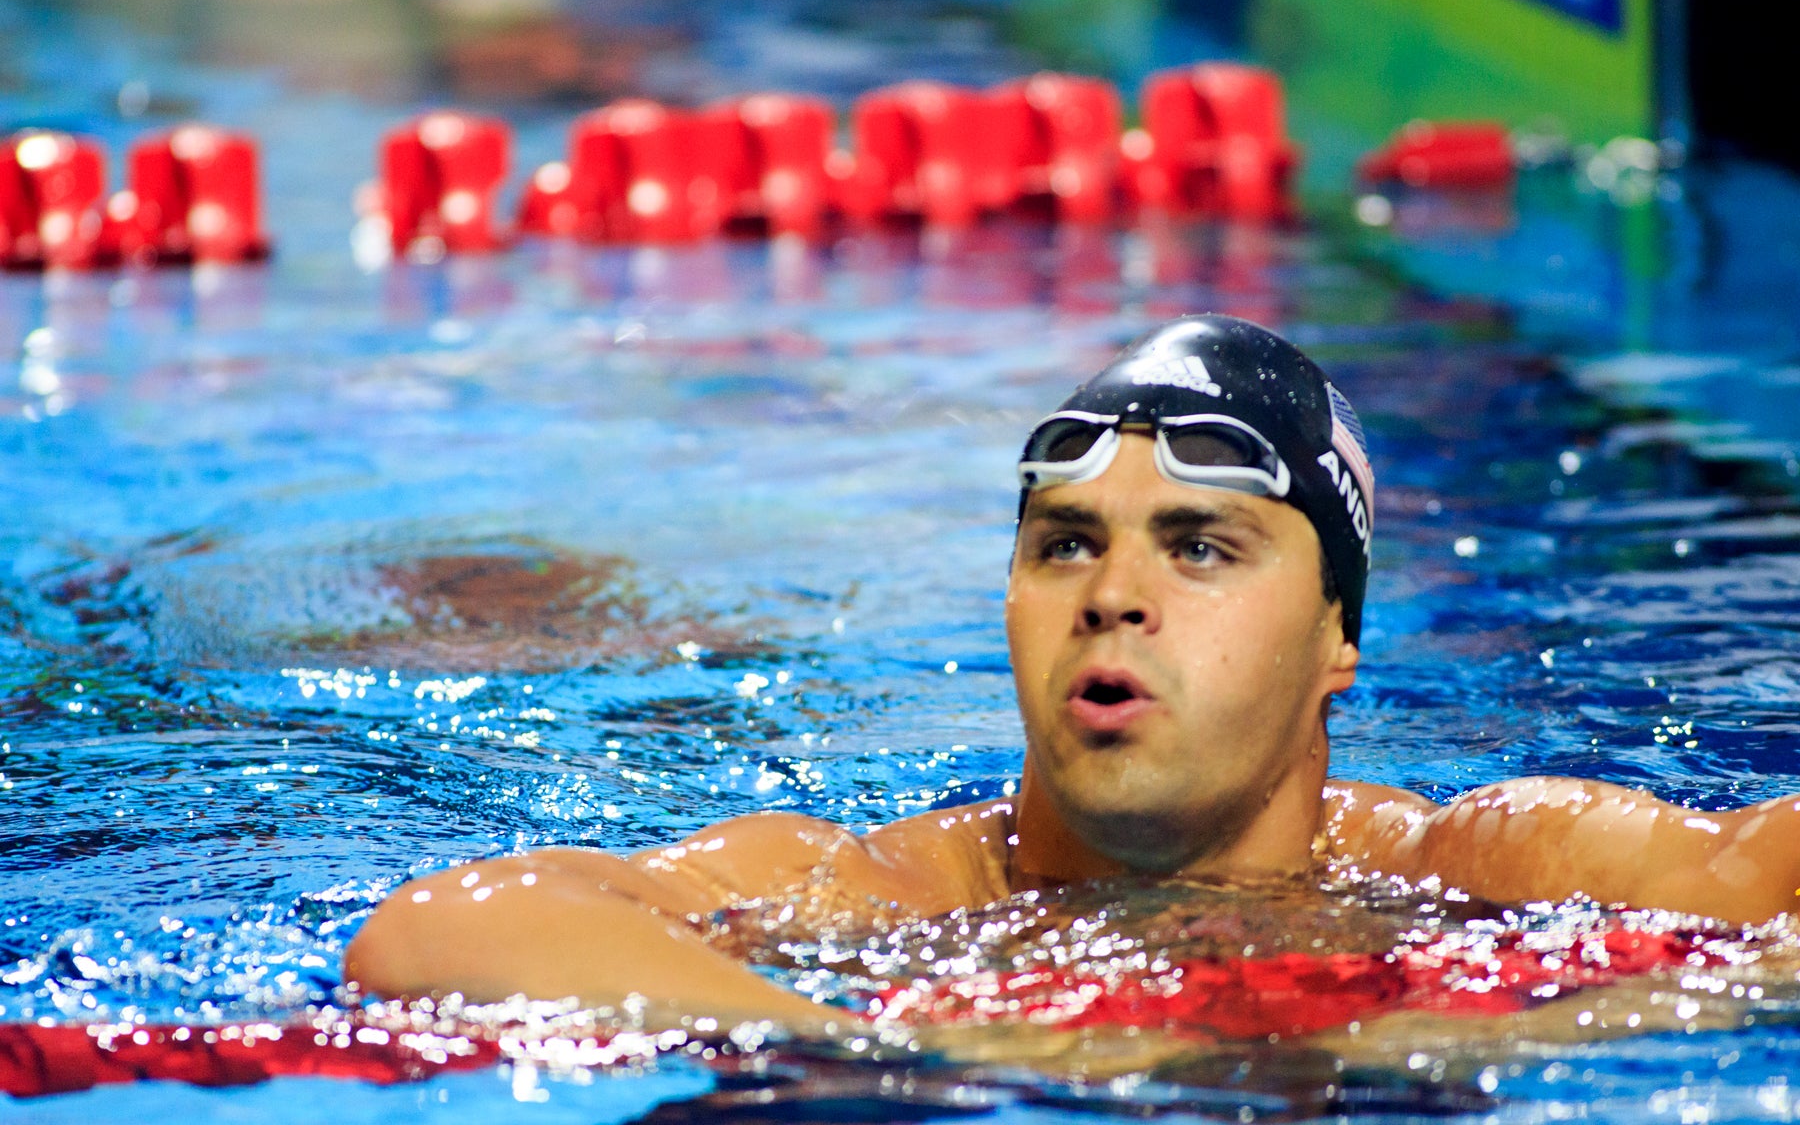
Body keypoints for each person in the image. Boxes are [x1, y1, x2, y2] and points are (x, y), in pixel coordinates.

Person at [343, 314, 1800, 1031]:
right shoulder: (883, 902)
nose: (1114, 597)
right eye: (1064, 548)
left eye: (1203, 549)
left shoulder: (1480, 868)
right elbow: (437, 935)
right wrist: (897, 1066)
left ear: (1338, 639)